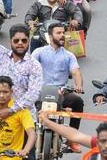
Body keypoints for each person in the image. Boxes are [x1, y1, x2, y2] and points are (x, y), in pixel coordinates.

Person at [30, 21, 84, 152]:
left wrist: (78, 85)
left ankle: (72, 139)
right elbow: (29, 67)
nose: (62, 35)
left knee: (78, 102)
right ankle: (27, 138)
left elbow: (76, 71)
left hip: (61, 92)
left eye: (63, 33)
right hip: (40, 91)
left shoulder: (69, 55)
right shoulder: (39, 52)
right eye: (58, 33)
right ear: (50, 36)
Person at [0, 9, 42, 115]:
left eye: (24, 40)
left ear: (28, 41)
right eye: (16, 41)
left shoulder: (34, 65)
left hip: (22, 116)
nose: (20, 43)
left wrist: (12, 110)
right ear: (10, 42)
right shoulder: (1, 54)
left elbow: (33, 93)